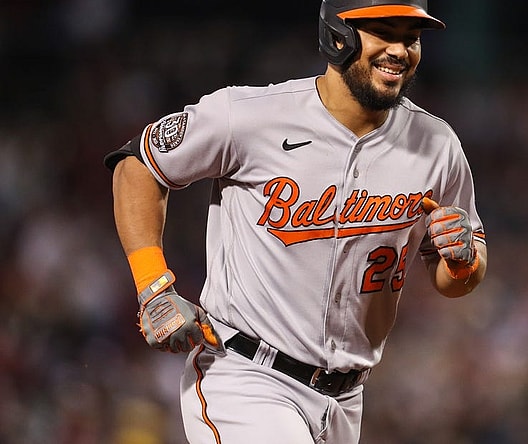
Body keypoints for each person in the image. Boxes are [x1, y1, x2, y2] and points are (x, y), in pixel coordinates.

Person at [104, 0, 487, 442]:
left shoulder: (436, 145)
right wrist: (152, 285)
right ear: (337, 34)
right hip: (246, 378)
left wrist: (462, 262)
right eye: (384, 31)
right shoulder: (250, 116)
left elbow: (457, 278)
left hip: (345, 400)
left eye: (411, 37)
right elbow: (138, 166)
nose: (400, 50)